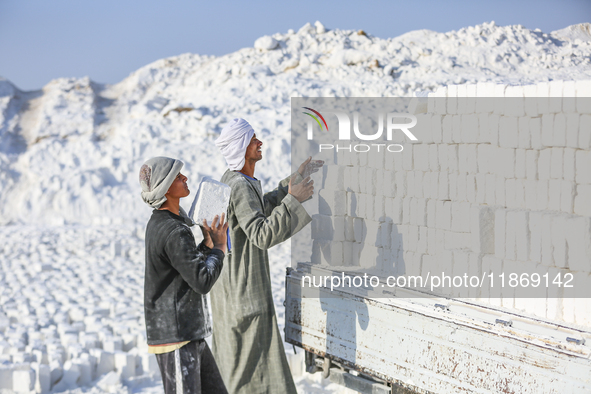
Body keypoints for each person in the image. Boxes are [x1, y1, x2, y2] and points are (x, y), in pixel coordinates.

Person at [210, 118, 323, 394]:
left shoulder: (235, 181)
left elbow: (259, 207)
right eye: (253, 140)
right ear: (241, 147)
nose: (260, 143)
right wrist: (293, 200)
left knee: (244, 372)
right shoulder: (238, 186)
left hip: (232, 295)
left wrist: (291, 185)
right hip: (245, 298)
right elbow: (262, 235)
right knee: (251, 377)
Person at [139, 156, 229, 394]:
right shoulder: (173, 230)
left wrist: (208, 242)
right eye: (179, 176)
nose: (185, 178)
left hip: (188, 334)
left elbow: (187, 269)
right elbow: (202, 280)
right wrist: (219, 247)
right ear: (167, 187)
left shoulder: (167, 223)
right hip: (176, 337)